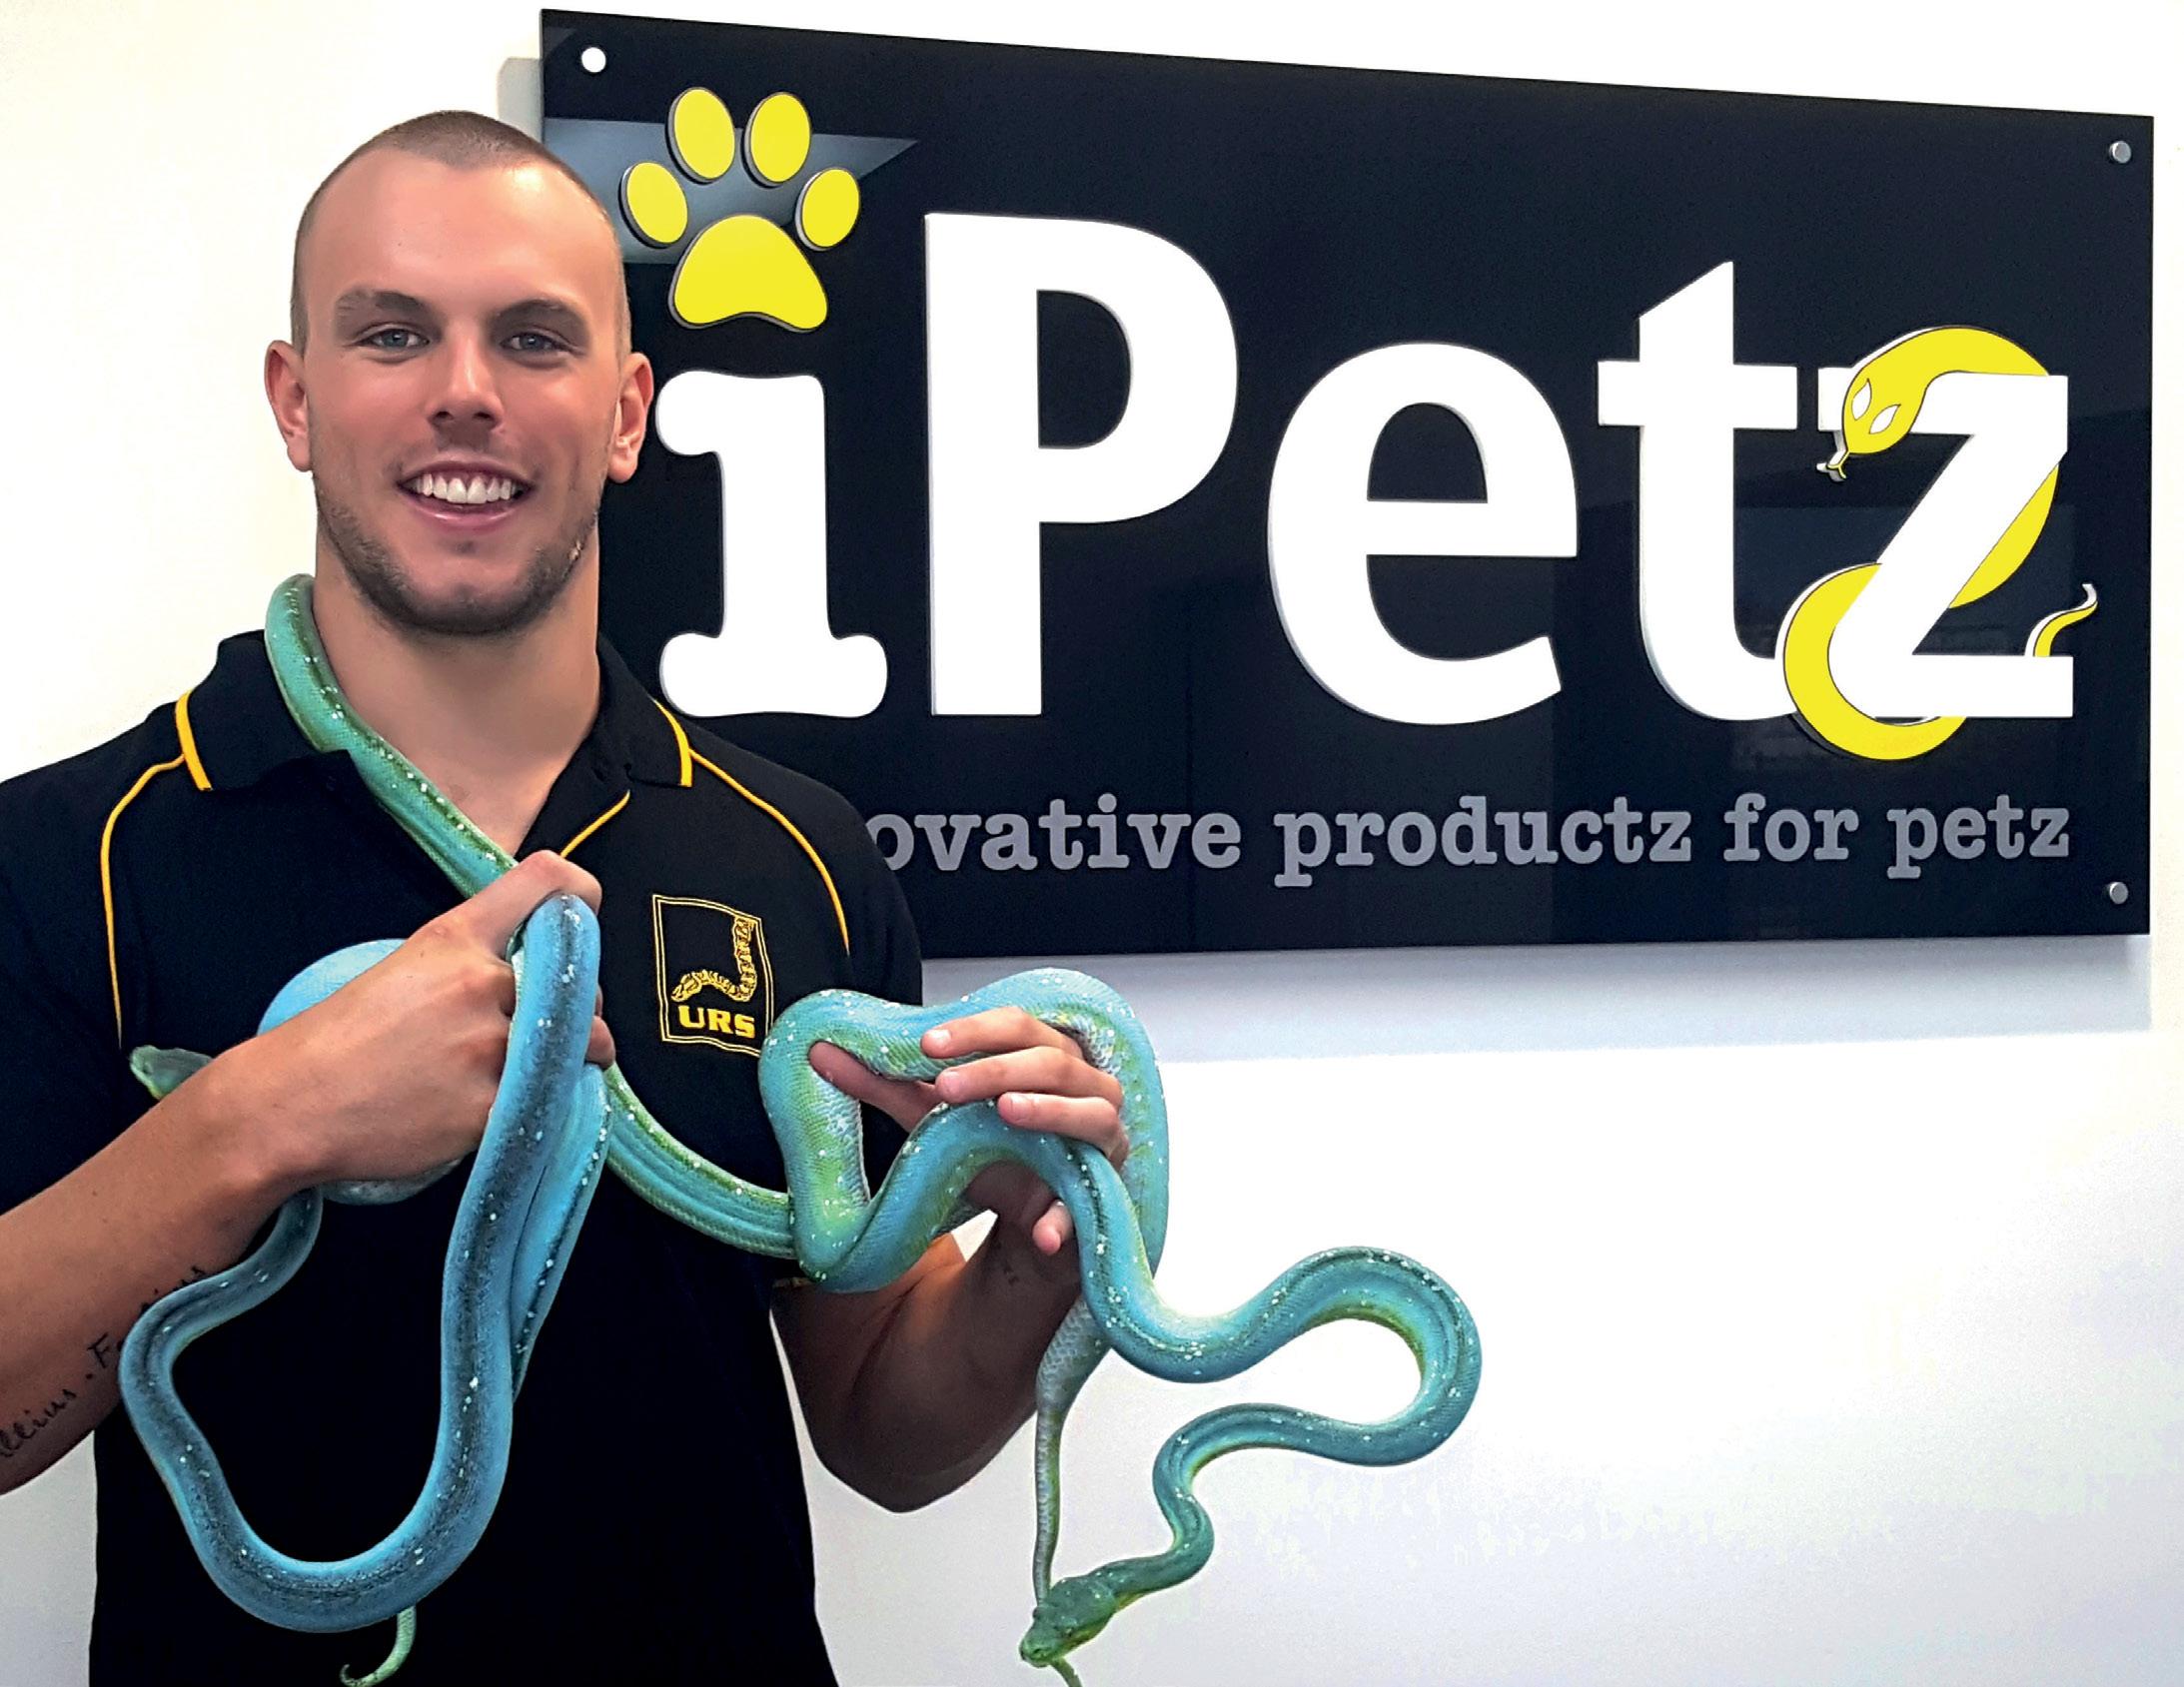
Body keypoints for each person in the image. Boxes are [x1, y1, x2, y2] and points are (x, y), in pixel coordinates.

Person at [0, 112, 1127, 1686]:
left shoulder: (798, 856)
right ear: (295, 400)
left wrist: (1044, 1247)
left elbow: (880, 1428)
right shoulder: (74, 853)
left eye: (533, 337)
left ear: (625, 411)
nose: (465, 387)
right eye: (393, 332)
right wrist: (261, 1122)